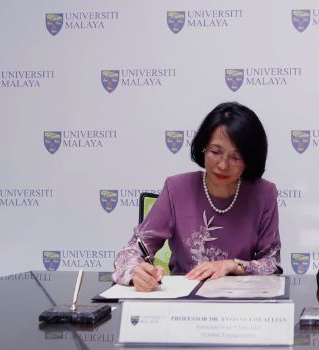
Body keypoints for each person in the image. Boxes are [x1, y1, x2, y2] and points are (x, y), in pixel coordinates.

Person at [113, 102, 281, 291]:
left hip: (239, 302)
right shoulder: (176, 188)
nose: (223, 165)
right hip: (184, 301)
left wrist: (234, 265)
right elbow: (130, 252)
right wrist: (137, 271)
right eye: (215, 152)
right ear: (203, 148)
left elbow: (272, 264)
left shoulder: (263, 194)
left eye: (236, 157)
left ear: (250, 159)